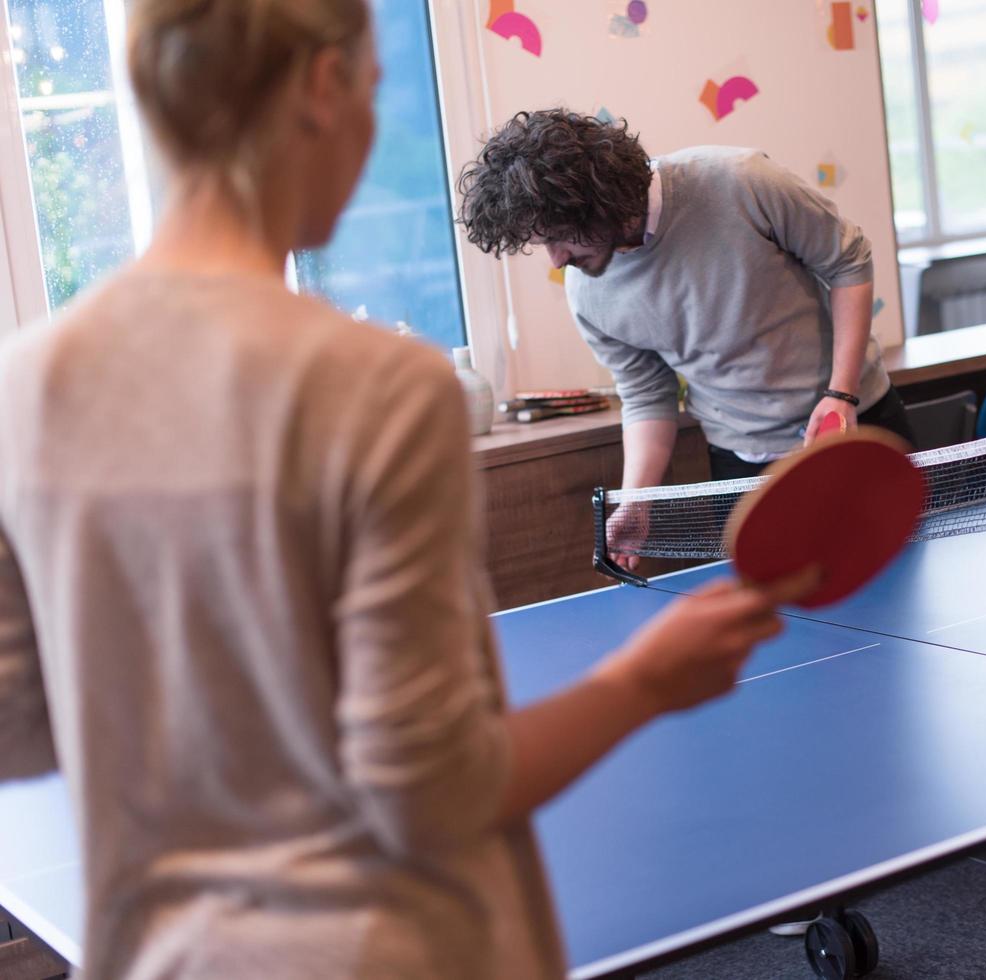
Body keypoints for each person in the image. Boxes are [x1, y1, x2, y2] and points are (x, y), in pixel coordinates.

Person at [0, 2, 802, 977]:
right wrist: (643, 680)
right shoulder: (379, 389)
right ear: (324, 88)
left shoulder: (22, 388)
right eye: (377, 92)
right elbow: (431, 790)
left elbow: (19, 730)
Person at [457, 110, 915, 570]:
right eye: (543, 244)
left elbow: (848, 262)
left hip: (856, 424)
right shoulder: (588, 293)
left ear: (600, 199)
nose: (557, 259)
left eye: (559, 237)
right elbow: (646, 394)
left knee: (906, 587)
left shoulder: (741, 181)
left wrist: (841, 392)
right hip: (742, 466)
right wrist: (638, 500)